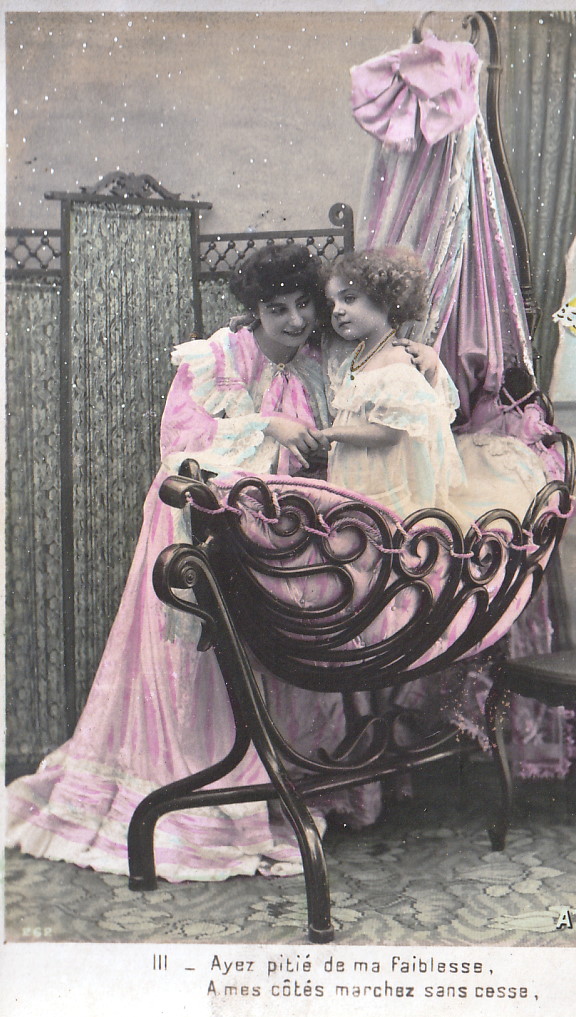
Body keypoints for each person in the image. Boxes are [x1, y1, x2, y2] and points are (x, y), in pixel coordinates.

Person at [5, 244, 375, 883]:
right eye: (277, 309)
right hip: (204, 525)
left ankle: (286, 781)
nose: (294, 320)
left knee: (289, 645)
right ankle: (213, 787)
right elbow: (181, 448)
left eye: (304, 305)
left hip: (281, 532)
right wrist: (269, 427)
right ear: (254, 311)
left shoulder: (321, 364)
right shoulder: (218, 359)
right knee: (207, 663)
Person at [318, 247, 548, 529]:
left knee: (384, 529)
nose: (338, 311)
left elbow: (389, 434)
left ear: (384, 300)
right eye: (332, 303)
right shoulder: (358, 357)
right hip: (358, 469)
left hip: (383, 476)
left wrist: (332, 434)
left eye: (349, 299)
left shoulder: (397, 359)